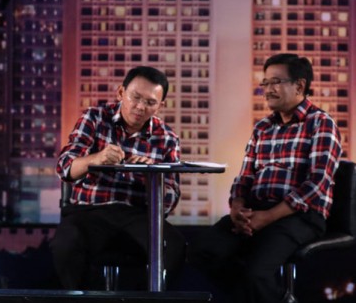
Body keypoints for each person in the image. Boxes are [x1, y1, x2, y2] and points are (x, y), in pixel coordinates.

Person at [188, 54, 342, 303]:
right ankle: (274, 298)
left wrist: (267, 217)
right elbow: (245, 176)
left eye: (275, 83)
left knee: (256, 273)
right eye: (265, 84)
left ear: (300, 86)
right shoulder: (262, 128)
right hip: (256, 210)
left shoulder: (321, 124)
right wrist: (238, 207)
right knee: (201, 252)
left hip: (300, 215)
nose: (267, 90)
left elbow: (316, 184)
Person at [50, 66, 183, 290]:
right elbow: (65, 168)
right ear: (121, 93)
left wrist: (149, 177)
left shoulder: (167, 138)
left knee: (176, 246)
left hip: (138, 215)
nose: (140, 107)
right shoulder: (94, 118)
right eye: (135, 97)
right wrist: (98, 158)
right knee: (65, 244)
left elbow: (169, 202)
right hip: (90, 211)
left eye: (150, 102)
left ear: (160, 106)